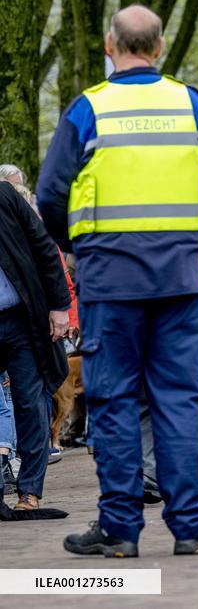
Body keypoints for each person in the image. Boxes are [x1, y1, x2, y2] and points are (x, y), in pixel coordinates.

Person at [37, 5, 198, 556]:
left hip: (111, 283)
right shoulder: (190, 105)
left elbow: (51, 194)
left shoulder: (89, 110)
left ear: (111, 45)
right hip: (178, 280)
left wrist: (80, 250)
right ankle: (190, 530)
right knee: (180, 400)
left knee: (113, 402)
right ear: (159, 47)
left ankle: (121, 531)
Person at [0, 181, 71, 513]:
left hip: (20, 318)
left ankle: (29, 491)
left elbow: (44, 247)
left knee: (29, 402)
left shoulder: (6, 196)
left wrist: (59, 306)